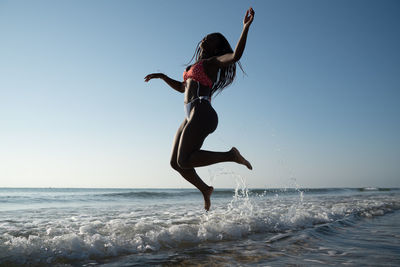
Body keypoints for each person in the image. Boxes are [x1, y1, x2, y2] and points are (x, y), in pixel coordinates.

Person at [144, 7, 255, 211]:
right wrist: (161, 76)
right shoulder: (196, 66)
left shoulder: (212, 63)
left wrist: (245, 27)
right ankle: (205, 189)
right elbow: (182, 87)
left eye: (212, 38)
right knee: (175, 163)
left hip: (203, 111)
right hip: (191, 114)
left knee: (184, 159)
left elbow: (235, 56)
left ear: (215, 49)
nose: (206, 37)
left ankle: (231, 155)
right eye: (207, 35)